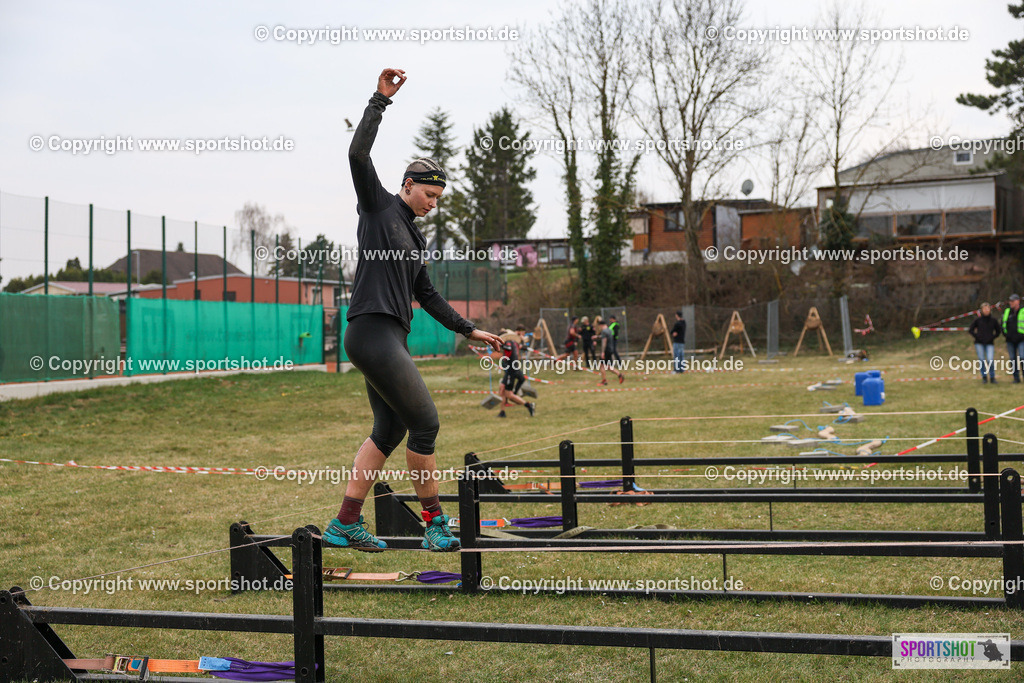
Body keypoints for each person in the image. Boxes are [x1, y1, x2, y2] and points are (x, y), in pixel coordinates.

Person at [323, 68, 503, 554]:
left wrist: (471, 331)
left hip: (386, 339)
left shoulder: (415, 237)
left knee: (390, 429)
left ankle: (345, 523)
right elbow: (357, 154)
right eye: (429, 195)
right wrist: (379, 101)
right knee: (425, 425)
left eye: (439, 199)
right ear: (407, 185)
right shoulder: (378, 209)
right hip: (371, 332)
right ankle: (435, 525)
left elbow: (428, 297)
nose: (433, 204)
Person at [495, 326, 536, 418]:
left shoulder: (508, 343)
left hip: (511, 371)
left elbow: (508, 349)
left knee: (509, 394)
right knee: (502, 389)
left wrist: (500, 345)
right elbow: (523, 347)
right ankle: (502, 412)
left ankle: (529, 405)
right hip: (512, 369)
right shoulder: (515, 343)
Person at [969, 302, 1001, 384]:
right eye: (984, 309)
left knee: (990, 360)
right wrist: (977, 336)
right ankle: (984, 377)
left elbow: (998, 331)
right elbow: (971, 330)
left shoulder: (993, 320)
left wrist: (992, 337)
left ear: (990, 309)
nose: (986, 310)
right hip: (979, 343)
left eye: (988, 308)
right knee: (982, 360)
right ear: (982, 310)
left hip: (990, 343)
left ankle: (992, 377)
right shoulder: (978, 320)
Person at [595, 317, 625, 385]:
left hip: (606, 350)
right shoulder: (609, 330)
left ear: (601, 325)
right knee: (607, 366)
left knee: (602, 365)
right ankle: (619, 375)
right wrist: (597, 337)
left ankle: (604, 381)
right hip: (610, 349)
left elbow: (604, 342)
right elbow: (606, 338)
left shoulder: (604, 331)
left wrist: (602, 352)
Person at [1004, 294, 1024, 383]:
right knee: (1012, 359)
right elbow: (1003, 324)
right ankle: (1016, 378)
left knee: (1022, 357)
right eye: (1010, 301)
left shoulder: (1023, 311)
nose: (1010, 303)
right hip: (1010, 340)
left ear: (1018, 301)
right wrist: (1006, 334)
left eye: (1012, 301)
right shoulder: (1007, 311)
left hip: (1021, 339)